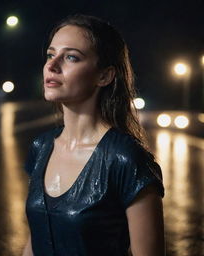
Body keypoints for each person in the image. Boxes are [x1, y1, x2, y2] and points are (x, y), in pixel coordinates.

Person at [22, 14, 165, 256]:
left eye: (71, 57)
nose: (52, 65)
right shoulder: (41, 146)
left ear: (104, 76)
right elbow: (34, 241)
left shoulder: (125, 159)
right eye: (50, 54)